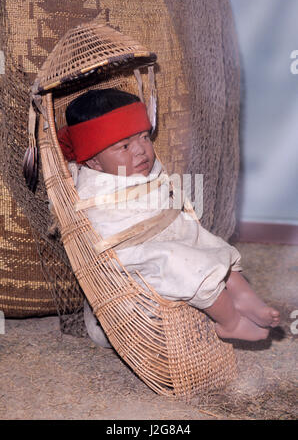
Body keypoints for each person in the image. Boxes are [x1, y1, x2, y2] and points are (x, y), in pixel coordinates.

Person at [58, 88, 280, 343]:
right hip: (134, 256)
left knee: (207, 242)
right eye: (125, 146)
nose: (141, 151)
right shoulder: (92, 188)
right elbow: (107, 232)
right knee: (187, 265)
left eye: (144, 137)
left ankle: (243, 297)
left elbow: (162, 196)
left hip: (162, 230)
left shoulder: (135, 168)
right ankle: (230, 321)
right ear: (94, 163)